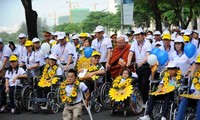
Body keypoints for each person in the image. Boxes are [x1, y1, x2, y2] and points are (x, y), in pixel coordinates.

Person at [126, 28, 152, 103]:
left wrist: (142, 62)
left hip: (146, 65)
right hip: (138, 66)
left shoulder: (148, 43)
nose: (137, 36)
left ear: (143, 35)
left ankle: (145, 101)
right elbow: (131, 53)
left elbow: (147, 55)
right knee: (139, 83)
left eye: (138, 35)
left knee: (144, 83)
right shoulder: (134, 43)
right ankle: (139, 100)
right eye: (136, 35)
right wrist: (128, 62)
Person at [175, 56, 200, 120]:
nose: (198, 66)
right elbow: (191, 90)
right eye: (198, 64)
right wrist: (192, 71)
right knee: (184, 99)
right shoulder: (195, 75)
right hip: (193, 96)